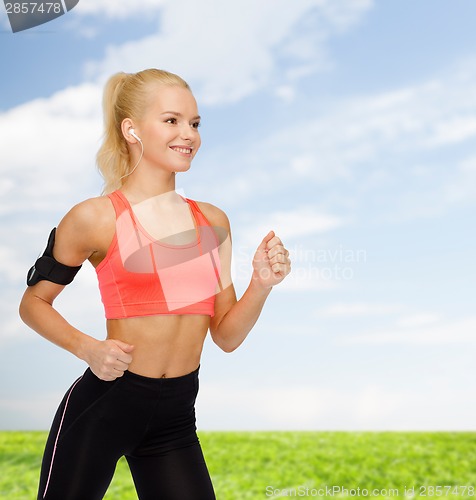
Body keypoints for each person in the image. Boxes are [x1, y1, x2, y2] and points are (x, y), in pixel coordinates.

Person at [19, 68, 291, 500]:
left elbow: (226, 335)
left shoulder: (212, 222)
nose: (189, 134)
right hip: (105, 407)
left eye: (195, 123)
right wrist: (89, 348)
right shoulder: (94, 218)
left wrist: (262, 284)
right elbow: (33, 303)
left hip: (175, 418)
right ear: (131, 129)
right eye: (172, 121)